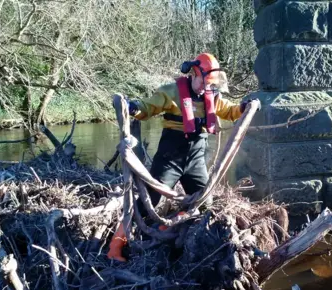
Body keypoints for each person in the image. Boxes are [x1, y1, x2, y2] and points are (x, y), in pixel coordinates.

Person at [107, 53, 256, 261]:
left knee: (205, 201)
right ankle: (115, 246)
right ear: (194, 74)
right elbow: (149, 106)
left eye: (211, 85)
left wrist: (243, 107)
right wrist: (133, 107)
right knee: (150, 199)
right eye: (204, 83)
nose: (207, 88)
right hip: (170, 156)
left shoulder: (212, 96)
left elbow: (229, 111)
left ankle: (165, 227)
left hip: (195, 158)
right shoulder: (172, 92)